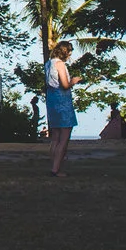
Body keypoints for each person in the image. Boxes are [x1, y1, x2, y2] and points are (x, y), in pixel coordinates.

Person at [43, 41, 79, 176]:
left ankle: (54, 165)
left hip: (52, 100)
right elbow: (64, 84)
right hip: (62, 100)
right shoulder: (60, 64)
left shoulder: (49, 63)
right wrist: (73, 81)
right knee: (64, 137)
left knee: (55, 137)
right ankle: (56, 169)